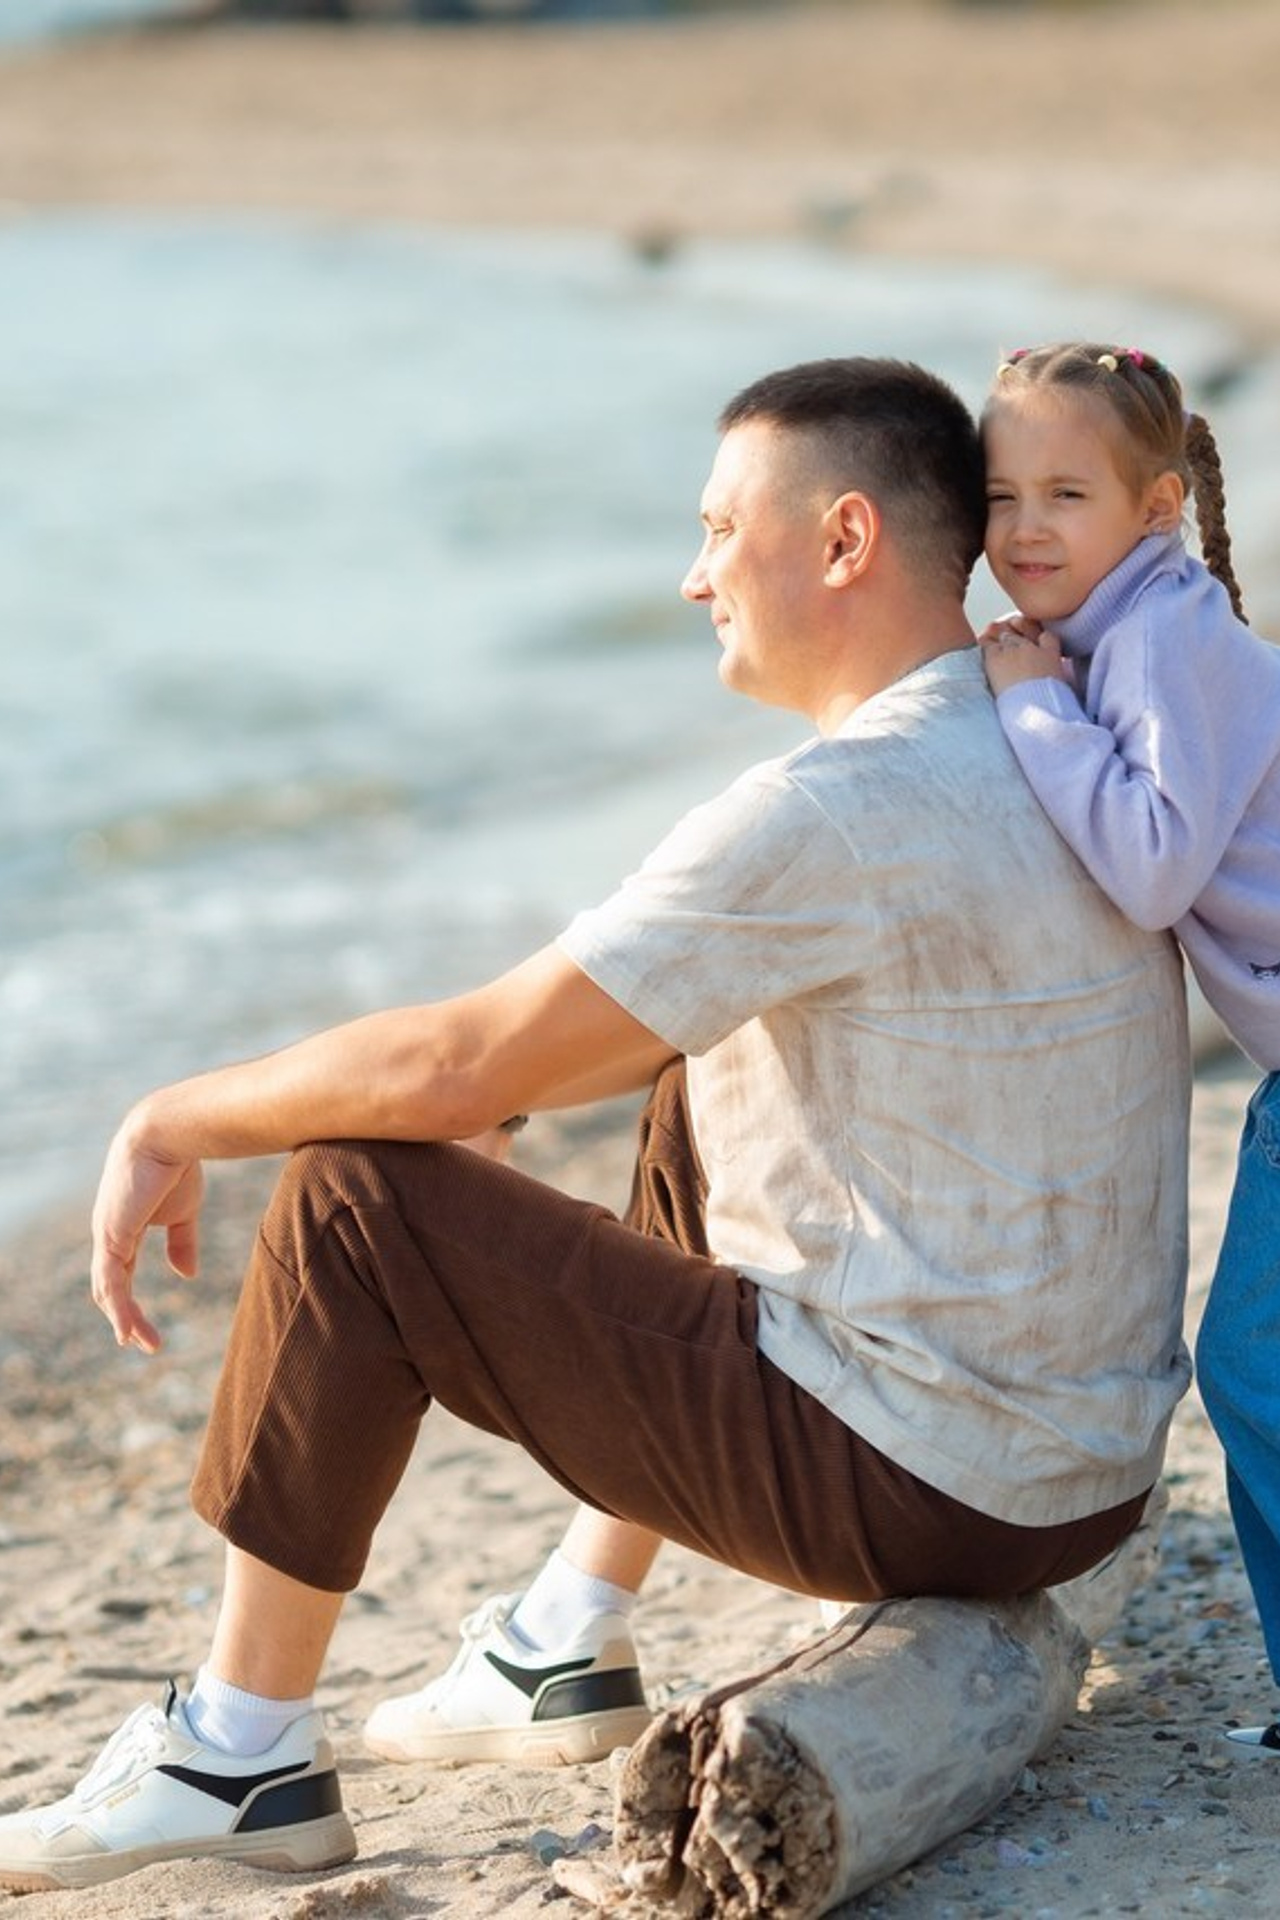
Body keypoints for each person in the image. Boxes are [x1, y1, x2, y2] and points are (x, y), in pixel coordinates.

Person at [0, 356, 1192, 1894]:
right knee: (689, 1057)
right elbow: (519, 1052)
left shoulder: (834, 808)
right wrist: (490, 1097)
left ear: (841, 542)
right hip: (1079, 1465)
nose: (693, 574)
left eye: (716, 530)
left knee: (356, 1199)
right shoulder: (1043, 732)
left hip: (941, 1480)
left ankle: (234, 1750)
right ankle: (565, 1637)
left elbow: (453, 1068)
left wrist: (173, 1114)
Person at [978, 340, 1280, 1751]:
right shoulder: (1142, 623)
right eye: (1000, 497)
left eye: (1065, 493)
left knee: (1254, 1370)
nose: (1025, 530)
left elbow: (1154, 867)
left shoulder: (1159, 638)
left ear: (1155, 508)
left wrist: (1025, 698)